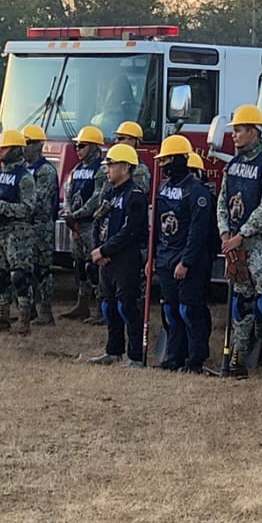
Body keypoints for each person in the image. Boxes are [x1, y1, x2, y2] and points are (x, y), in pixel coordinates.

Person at [217, 104, 262, 379]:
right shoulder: (232, 165)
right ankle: (238, 358)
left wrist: (242, 234)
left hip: (261, 245)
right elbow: (222, 201)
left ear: (254, 132)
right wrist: (225, 233)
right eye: (233, 130)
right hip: (235, 246)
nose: (234, 135)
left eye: (239, 130)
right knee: (241, 303)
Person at [88, 143, 151, 366]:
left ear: (125, 167)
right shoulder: (109, 193)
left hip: (126, 259)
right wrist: (98, 250)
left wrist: (105, 250)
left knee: (127, 306)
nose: (107, 169)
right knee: (109, 306)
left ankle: (135, 356)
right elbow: (98, 221)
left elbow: (130, 231)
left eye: (111, 165)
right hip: (106, 260)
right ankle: (113, 351)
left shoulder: (135, 196)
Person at [153, 135, 212, 372]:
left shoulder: (196, 192)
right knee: (171, 310)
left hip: (188, 262)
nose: (162, 164)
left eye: (166, 159)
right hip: (165, 259)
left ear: (178, 159)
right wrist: (153, 258)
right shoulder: (163, 188)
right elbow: (157, 226)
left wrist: (185, 262)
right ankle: (173, 357)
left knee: (190, 310)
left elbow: (198, 231)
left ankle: (195, 359)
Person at [0, 128, 39, 334]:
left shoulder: (24, 178)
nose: (0, 151)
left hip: (18, 233)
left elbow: (28, 208)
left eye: (5, 148)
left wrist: (2, 207)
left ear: (15, 149)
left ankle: (24, 319)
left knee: (19, 277)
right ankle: (2, 316)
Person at [62, 126, 108, 322]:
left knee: (93, 266)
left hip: (91, 224)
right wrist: (68, 212)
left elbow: (97, 197)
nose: (78, 149)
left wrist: (76, 214)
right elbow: (68, 193)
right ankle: (82, 304)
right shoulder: (76, 169)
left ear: (94, 146)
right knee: (79, 264)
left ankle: (99, 308)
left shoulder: (101, 170)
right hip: (75, 225)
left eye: (82, 146)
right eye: (77, 146)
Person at [22, 124, 60, 326]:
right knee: (26, 270)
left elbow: (38, 199)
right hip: (25, 225)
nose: (24, 147)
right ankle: (28, 310)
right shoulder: (23, 167)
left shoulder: (45, 170)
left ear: (38, 145)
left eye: (28, 143)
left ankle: (46, 311)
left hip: (41, 226)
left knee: (42, 269)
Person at [113, 120, 152, 192]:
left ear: (133, 141)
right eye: (116, 138)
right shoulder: (111, 164)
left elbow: (137, 196)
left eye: (121, 138)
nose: (116, 142)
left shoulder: (140, 170)